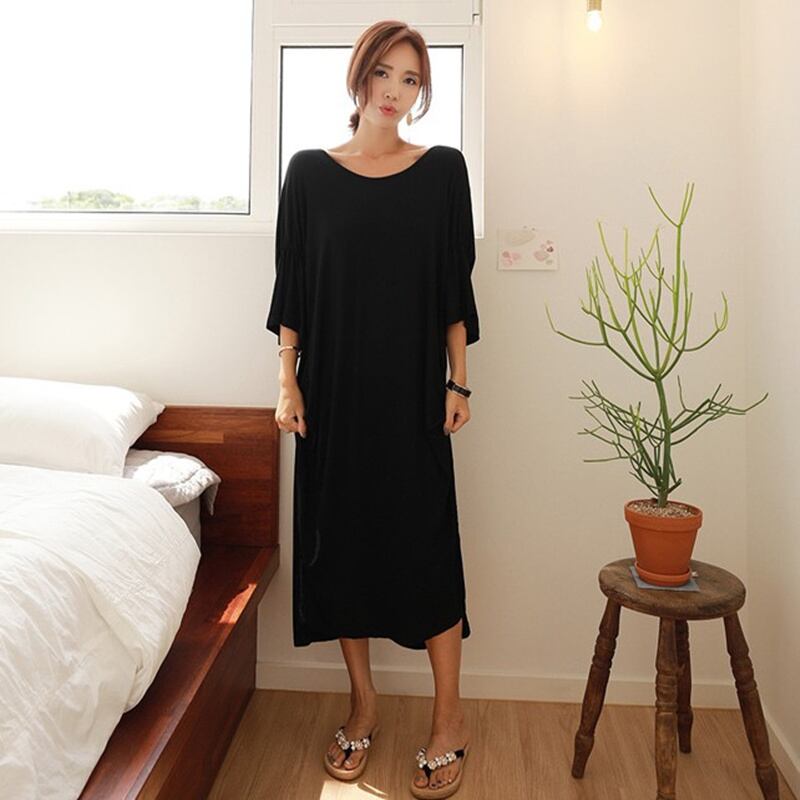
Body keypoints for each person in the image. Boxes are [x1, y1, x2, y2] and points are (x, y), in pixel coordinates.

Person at [265, 19, 479, 798]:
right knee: (343, 549)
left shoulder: (443, 170)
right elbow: (293, 287)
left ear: (423, 92)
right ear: (358, 79)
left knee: (428, 551)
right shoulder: (308, 174)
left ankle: (449, 718)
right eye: (384, 74)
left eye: (411, 79)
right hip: (333, 398)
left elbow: (453, 286)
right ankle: (363, 705)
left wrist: (458, 381)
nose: (395, 91)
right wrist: (287, 380)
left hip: (413, 397)